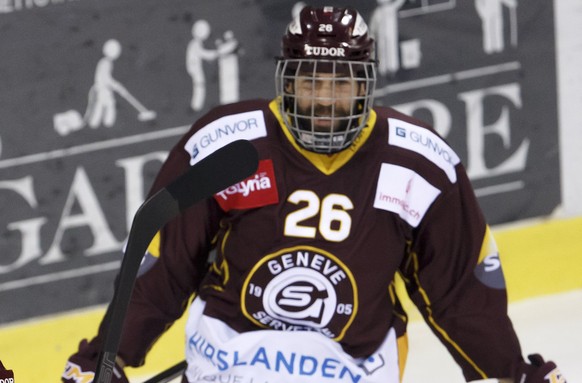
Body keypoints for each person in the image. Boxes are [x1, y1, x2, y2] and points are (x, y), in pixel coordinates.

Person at [62, 5, 567, 383]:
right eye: (310, 82)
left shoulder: (418, 162)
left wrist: (510, 373)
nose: (324, 99)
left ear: (367, 85)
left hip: (352, 369)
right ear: (286, 81)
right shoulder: (227, 144)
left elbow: (458, 290)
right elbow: (165, 266)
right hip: (229, 362)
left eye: (341, 83)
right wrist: (107, 358)